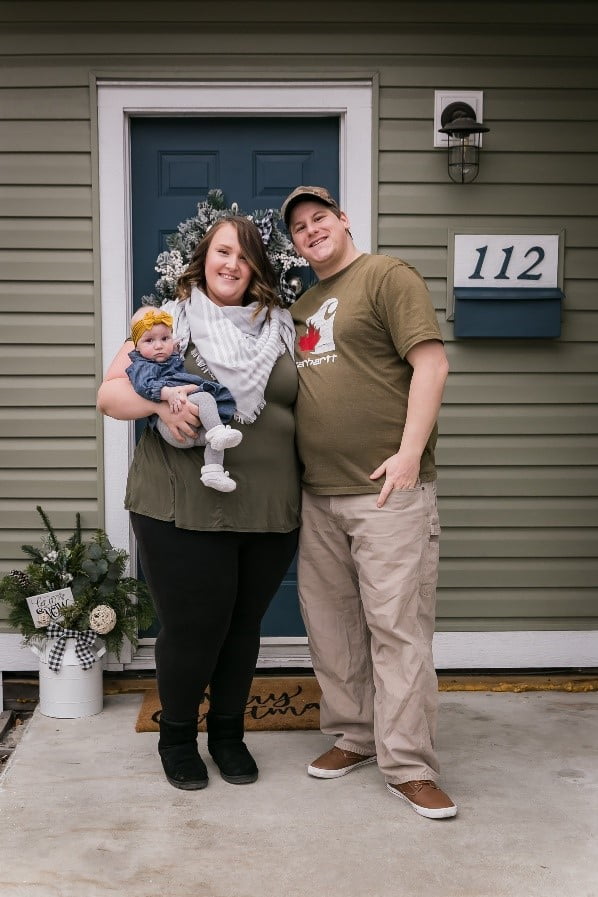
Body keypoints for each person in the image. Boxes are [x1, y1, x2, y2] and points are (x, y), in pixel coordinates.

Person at [97, 216, 300, 791]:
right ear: (203, 259)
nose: (231, 264)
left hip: (269, 505)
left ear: (258, 266)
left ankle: (229, 736)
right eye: (221, 252)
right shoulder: (170, 320)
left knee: (242, 626)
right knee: (193, 626)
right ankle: (178, 737)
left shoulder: (284, 327)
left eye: (243, 255)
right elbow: (110, 394)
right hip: (179, 503)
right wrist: (159, 407)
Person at [281, 185, 455, 820]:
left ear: (343, 221)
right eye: (299, 227)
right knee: (332, 629)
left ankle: (408, 764)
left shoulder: (386, 276)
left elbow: (431, 366)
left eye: (319, 219)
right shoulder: (300, 306)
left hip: (387, 492)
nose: (310, 231)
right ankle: (355, 737)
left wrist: (409, 455)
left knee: (397, 629)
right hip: (318, 496)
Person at [126, 306, 243, 492]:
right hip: (170, 427)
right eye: (149, 340)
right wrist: (169, 393)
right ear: (136, 345)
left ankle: (213, 471)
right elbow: (144, 386)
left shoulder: (169, 355)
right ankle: (217, 431)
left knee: (216, 440)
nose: (158, 346)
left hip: (188, 435)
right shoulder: (142, 365)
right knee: (205, 399)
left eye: (165, 338)